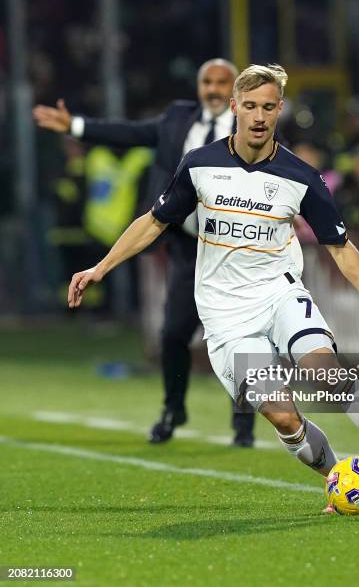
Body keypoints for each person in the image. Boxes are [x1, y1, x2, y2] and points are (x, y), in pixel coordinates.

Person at [67, 64, 359, 509]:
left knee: (327, 373)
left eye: (268, 107)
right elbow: (153, 223)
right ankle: (341, 479)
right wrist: (101, 267)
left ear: (279, 111)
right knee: (284, 416)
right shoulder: (199, 165)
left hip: (280, 294)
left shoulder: (302, 176)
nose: (258, 116)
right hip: (227, 318)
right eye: (249, 106)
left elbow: (340, 245)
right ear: (234, 107)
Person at [33, 58, 256, 447]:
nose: (215, 89)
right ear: (199, 86)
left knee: (243, 339)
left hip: (239, 249)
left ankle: (244, 425)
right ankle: (173, 408)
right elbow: (128, 133)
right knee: (173, 334)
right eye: (208, 81)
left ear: (236, 90)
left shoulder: (252, 127)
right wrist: (76, 126)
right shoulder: (177, 119)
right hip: (190, 247)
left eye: (224, 82)